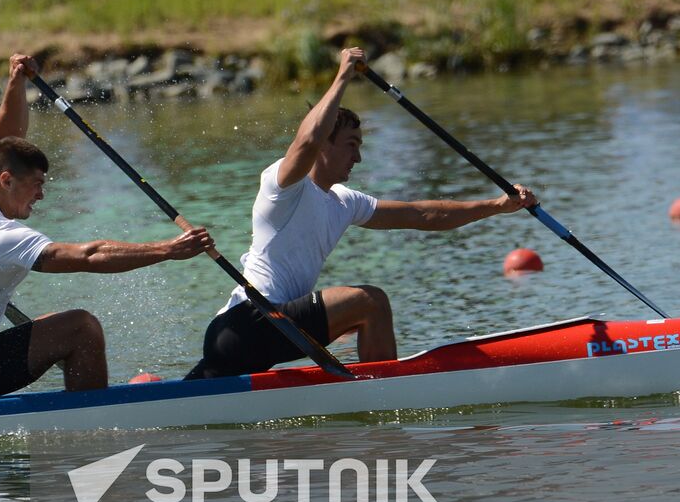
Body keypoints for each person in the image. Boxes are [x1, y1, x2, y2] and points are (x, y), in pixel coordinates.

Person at [0, 53, 214, 409]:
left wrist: (16, 81)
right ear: (6, 180)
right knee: (81, 328)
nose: (41, 194)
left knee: (77, 327)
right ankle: (92, 426)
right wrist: (168, 250)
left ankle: (88, 412)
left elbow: (4, 137)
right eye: (36, 184)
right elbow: (89, 255)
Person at [187, 47, 537, 379]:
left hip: (269, 334)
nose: (358, 158)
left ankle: (368, 388)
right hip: (246, 323)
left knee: (194, 395)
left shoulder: (344, 202)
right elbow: (306, 142)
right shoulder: (283, 186)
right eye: (351, 145)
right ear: (325, 144)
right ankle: (386, 393)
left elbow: (423, 215)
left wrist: (498, 206)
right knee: (370, 302)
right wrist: (341, 76)